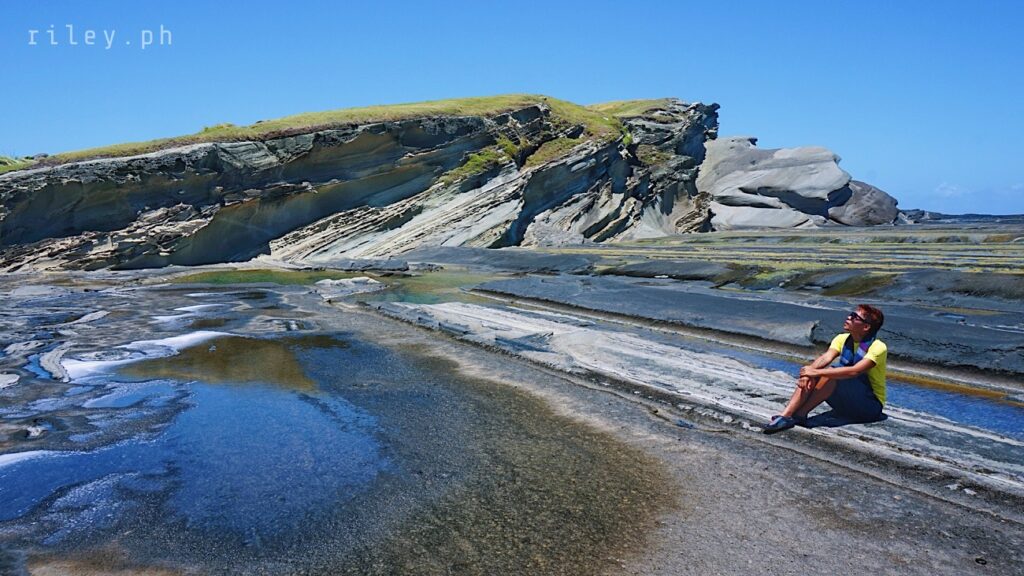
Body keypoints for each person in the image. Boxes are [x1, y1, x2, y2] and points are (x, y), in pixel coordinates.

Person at [763, 304, 887, 434]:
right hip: (845, 403)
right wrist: (808, 372)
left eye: (854, 317)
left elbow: (854, 371)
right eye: (851, 314)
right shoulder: (842, 339)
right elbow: (825, 358)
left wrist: (815, 372)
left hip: (869, 407)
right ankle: (787, 415)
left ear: (866, 327)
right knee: (817, 372)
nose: (848, 317)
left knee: (831, 372)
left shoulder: (878, 347)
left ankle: (799, 414)